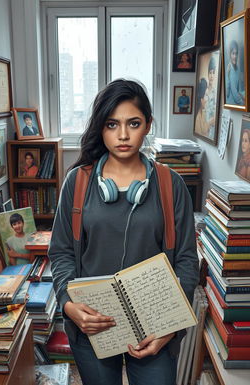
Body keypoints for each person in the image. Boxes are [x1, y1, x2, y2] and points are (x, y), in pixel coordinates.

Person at [48, 79, 199, 385]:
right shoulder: (77, 183)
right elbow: (61, 251)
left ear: (148, 125)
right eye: (112, 124)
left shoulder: (171, 186)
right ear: (100, 128)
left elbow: (186, 261)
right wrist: (68, 304)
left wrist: (170, 326)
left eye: (133, 123)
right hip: (92, 325)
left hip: (155, 327)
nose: (123, 135)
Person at [226, 40, 245, 106]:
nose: (235, 56)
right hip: (231, 102)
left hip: (235, 101)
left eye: (236, 53)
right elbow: (234, 92)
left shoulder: (237, 68)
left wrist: (243, 97)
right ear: (230, 54)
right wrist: (243, 103)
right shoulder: (230, 68)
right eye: (233, 54)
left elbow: (238, 90)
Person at [205, 56, 217, 140]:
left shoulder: (215, 92)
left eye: (213, 72)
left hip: (211, 130)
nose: (211, 75)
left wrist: (209, 124)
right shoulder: (204, 92)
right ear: (207, 73)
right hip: (203, 127)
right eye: (210, 72)